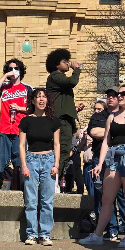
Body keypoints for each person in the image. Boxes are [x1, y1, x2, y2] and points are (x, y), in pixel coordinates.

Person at [79, 84, 125, 248]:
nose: (119, 96)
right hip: (113, 157)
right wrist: (100, 163)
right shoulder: (112, 116)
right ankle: (97, 235)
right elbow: (106, 141)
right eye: (118, 94)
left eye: (123, 94)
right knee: (107, 199)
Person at [18, 88, 61, 245]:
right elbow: (22, 145)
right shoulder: (26, 121)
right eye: (38, 97)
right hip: (31, 159)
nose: (41, 99)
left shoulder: (54, 121)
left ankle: (45, 234)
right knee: (31, 199)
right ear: (33, 101)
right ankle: (31, 234)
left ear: (47, 100)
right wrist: (24, 165)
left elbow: (57, 144)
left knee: (47, 200)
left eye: (44, 97)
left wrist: (56, 164)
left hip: (49, 160)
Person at [0, 58, 31, 190]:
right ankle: (2, 188)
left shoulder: (27, 88)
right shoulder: (4, 87)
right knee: (2, 161)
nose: (13, 71)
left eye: (16, 68)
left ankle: (19, 188)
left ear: (21, 71)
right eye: (10, 69)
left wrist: (19, 108)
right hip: (4, 129)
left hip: (20, 131)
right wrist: (5, 76)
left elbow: (33, 109)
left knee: (19, 162)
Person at [45, 49, 81, 187]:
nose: (68, 63)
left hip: (65, 119)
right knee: (63, 149)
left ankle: (56, 179)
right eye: (64, 61)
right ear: (56, 64)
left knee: (65, 150)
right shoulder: (55, 76)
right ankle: (53, 180)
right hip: (59, 120)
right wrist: (76, 69)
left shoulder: (60, 80)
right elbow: (72, 81)